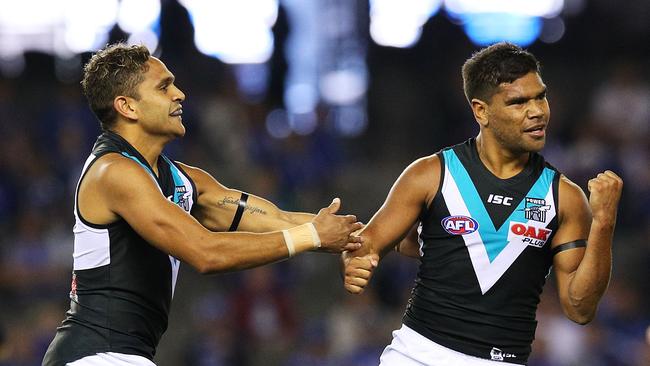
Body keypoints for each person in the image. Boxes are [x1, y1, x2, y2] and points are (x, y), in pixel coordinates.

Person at [42, 43, 363, 366]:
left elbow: (275, 218)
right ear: (128, 107)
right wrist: (314, 237)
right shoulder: (114, 172)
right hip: (93, 356)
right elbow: (206, 252)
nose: (179, 94)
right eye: (164, 86)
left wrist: (357, 239)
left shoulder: (182, 179)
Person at [342, 42, 623, 365]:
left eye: (540, 96)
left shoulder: (565, 197)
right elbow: (367, 247)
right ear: (481, 111)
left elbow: (580, 308)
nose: (537, 111)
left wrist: (604, 223)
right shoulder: (430, 175)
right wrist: (352, 265)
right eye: (518, 102)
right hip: (416, 355)